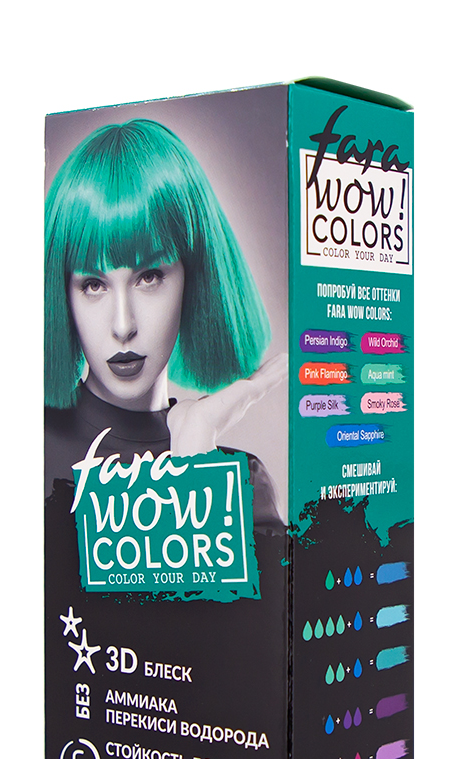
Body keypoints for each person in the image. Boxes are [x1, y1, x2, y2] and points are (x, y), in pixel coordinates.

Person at [44, 119, 285, 532]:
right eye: (94, 284)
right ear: (62, 293)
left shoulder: (239, 486)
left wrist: (194, 466)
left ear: (195, 277)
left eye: (149, 276)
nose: (123, 326)